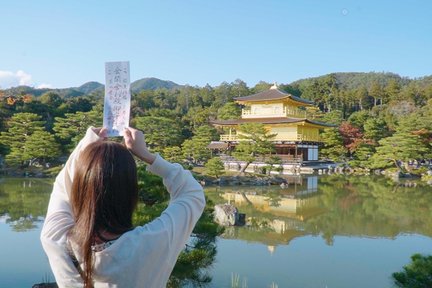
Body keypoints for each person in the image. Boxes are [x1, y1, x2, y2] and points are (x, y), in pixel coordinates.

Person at [40, 127, 206, 287]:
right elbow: (192, 193)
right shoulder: (152, 241)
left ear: (79, 189)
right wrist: (147, 155)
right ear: (130, 190)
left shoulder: (55, 239)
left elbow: (62, 185)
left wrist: (88, 142)